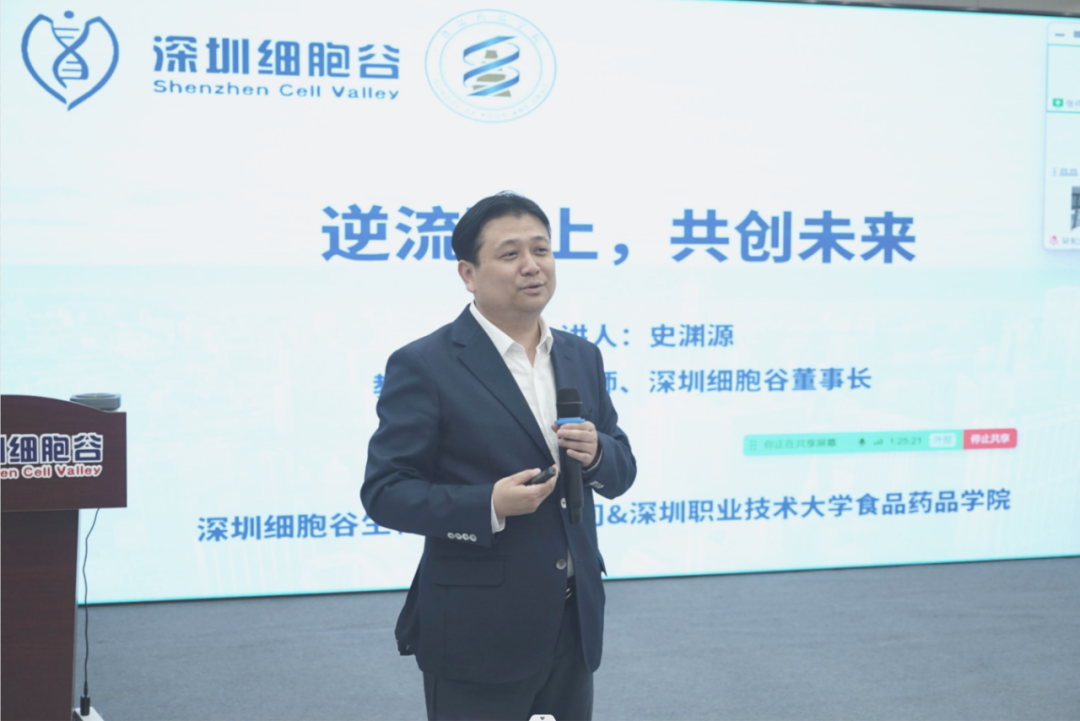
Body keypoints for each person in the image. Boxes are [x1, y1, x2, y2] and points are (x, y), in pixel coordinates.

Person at [361, 191, 637, 720]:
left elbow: (621, 469)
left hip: (572, 621)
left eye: (542, 249)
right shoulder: (426, 364)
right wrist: (487, 504)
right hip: (478, 629)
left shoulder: (581, 355)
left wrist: (599, 453)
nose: (532, 266)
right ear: (468, 273)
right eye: (510, 254)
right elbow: (385, 492)